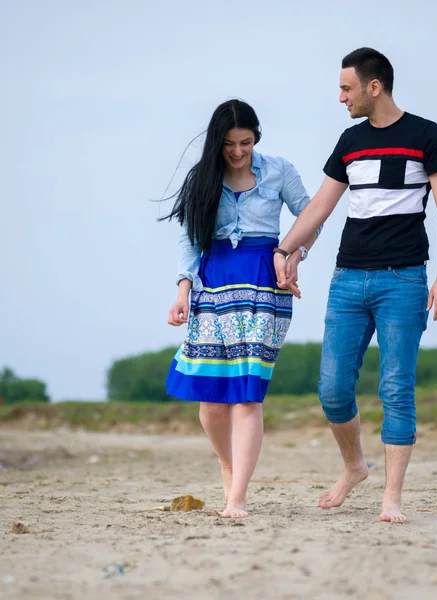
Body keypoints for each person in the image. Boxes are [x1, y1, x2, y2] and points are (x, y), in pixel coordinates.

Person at [273, 48, 437, 523]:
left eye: (346, 88)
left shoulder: (425, 135)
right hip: (348, 279)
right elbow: (319, 207)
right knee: (332, 388)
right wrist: (284, 250)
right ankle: (355, 466)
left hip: (404, 280)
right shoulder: (349, 141)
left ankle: (391, 499)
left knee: (397, 388)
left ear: (373, 87)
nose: (341, 98)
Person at [163, 99, 317, 518]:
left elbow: (311, 215)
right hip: (212, 284)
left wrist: (294, 253)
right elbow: (190, 240)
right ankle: (227, 463)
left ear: (257, 138)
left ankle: (238, 496)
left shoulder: (280, 170)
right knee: (212, 397)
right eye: (229, 144)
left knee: (247, 393)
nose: (237, 152)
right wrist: (183, 290)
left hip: (265, 281)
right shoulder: (203, 179)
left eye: (245, 143)